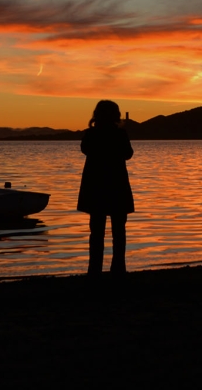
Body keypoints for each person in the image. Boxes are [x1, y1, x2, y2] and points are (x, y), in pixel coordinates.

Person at [77, 99, 134, 276]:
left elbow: (85, 150)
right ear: (115, 115)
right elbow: (128, 154)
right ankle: (118, 269)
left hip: (96, 186)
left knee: (96, 231)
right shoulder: (120, 134)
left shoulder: (90, 134)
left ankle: (94, 270)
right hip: (116, 185)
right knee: (119, 231)